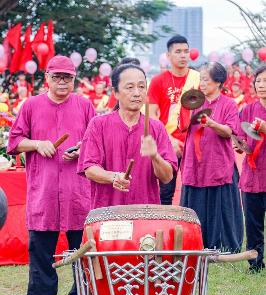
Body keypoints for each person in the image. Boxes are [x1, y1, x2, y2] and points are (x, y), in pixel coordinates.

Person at [7, 55, 97, 295]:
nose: (61, 82)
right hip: (43, 188)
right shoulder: (31, 105)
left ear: (74, 80)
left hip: (77, 189)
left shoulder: (84, 106)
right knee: (40, 246)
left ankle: (83, 293)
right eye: (56, 77)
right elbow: (14, 142)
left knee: (82, 245)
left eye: (67, 78)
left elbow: (95, 141)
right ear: (46, 78)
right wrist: (37, 144)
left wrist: (80, 150)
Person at [78, 63, 178, 209]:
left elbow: (167, 177)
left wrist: (155, 156)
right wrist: (113, 177)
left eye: (142, 87)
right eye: (130, 87)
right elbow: (89, 168)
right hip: (108, 212)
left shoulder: (157, 128)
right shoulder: (98, 124)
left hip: (144, 212)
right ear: (116, 93)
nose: (137, 93)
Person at [180, 62, 243, 252]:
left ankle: (223, 245)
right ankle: (193, 244)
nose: (202, 83)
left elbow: (229, 131)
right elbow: (181, 125)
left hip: (218, 163)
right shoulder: (194, 101)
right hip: (194, 161)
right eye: (201, 79)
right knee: (194, 203)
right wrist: (183, 109)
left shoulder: (229, 103)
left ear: (218, 82)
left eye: (205, 79)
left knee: (220, 206)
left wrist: (211, 123)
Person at [148, 35, 200, 205]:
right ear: (169, 56)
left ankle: (192, 228)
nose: (183, 55)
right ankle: (164, 228)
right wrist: (169, 140)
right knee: (165, 193)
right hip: (167, 144)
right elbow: (151, 114)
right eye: (178, 52)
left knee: (194, 191)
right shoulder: (158, 80)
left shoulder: (198, 79)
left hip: (195, 144)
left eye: (186, 51)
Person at [235, 64, 266, 273]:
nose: (262, 85)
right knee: (253, 223)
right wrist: (240, 146)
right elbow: (241, 138)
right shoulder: (248, 109)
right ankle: (255, 263)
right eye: (259, 81)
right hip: (253, 174)